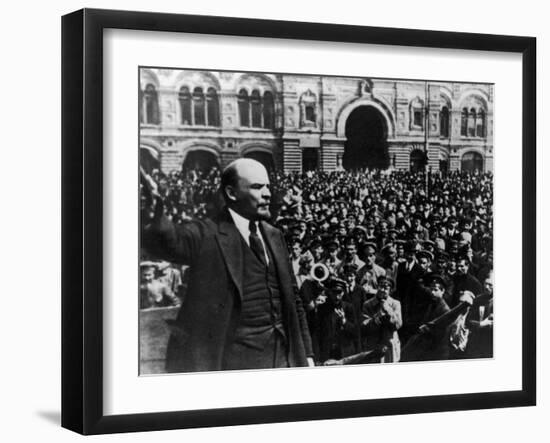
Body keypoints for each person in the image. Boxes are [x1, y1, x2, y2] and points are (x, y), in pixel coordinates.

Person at [142, 158, 314, 372]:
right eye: (257, 187)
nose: (268, 194)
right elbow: (171, 241)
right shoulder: (208, 234)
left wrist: (306, 353)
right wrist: (153, 213)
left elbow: (294, 299)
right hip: (234, 365)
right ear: (232, 193)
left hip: (284, 358)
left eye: (268, 186)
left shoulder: (275, 235)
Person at [361, 276, 402, 363]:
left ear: (390, 290)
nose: (382, 290)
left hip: (390, 344)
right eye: (380, 286)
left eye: (386, 288)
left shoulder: (395, 304)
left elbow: (398, 325)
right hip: (373, 344)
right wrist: (376, 318)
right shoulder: (368, 304)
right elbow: (364, 326)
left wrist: (389, 311)